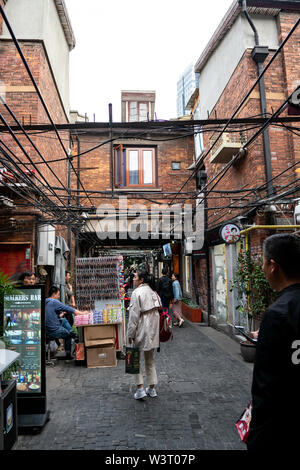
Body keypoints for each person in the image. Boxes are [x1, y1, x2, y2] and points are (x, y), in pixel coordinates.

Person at [247, 234, 300, 451]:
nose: (262, 269)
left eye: (263, 263)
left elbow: (266, 386)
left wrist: (257, 435)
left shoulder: (277, 314)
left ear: (273, 266)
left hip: (283, 427)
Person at [127, 269, 160, 400]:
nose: (133, 279)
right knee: (150, 359)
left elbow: (133, 316)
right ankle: (152, 388)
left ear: (141, 280)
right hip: (152, 328)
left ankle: (140, 388)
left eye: (135, 277)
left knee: (134, 358)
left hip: (141, 327)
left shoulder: (136, 293)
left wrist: (130, 333)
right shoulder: (153, 292)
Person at [46, 286, 89, 360]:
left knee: (63, 320)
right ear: (53, 294)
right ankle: (68, 354)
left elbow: (51, 315)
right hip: (53, 330)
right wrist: (81, 313)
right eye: (58, 294)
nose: (59, 296)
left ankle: (72, 333)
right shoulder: (54, 302)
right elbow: (68, 308)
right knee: (69, 335)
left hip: (46, 329)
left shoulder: (45, 301)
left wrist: (61, 314)